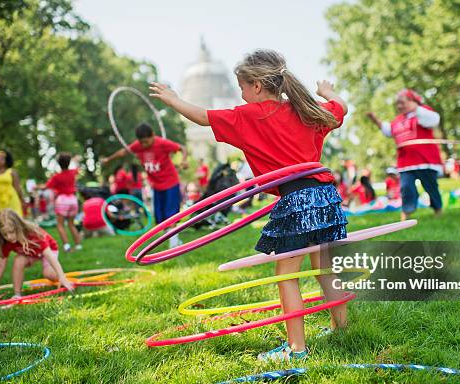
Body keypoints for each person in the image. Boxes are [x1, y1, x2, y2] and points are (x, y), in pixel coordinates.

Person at [149, 48, 349, 361]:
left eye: (242, 87)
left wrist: (173, 99)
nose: (241, 94)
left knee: (287, 276)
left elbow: (203, 117)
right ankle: (343, 331)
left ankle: (296, 351)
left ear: (256, 85)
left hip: (295, 200)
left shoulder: (247, 117)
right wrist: (328, 92)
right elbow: (340, 108)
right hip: (325, 198)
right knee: (324, 270)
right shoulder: (306, 108)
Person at [101, 124, 188, 248]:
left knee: (171, 214)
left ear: (152, 135)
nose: (144, 145)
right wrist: (108, 159)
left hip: (170, 183)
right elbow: (123, 152)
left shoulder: (162, 143)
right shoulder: (138, 145)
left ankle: (173, 243)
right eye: (142, 143)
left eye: (147, 142)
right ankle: (172, 239)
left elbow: (182, 148)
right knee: (160, 217)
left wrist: (184, 160)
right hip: (156, 186)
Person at [367, 89, 443, 220]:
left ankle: (438, 210)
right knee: (406, 188)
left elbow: (434, 120)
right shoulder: (397, 120)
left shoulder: (422, 112)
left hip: (425, 160)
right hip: (406, 162)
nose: (399, 106)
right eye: (397, 103)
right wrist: (375, 120)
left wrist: (416, 108)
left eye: (402, 102)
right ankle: (406, 214)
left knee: (431, 187)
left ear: (412, 101)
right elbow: (388, 130)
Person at [0, 208, 74, 302]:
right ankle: (17, 294)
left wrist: (61, 277)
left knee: (48, 274)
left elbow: (49, 255)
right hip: (29, 253)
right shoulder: (5, 242)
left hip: (48, 250)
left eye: (11, 232)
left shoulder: (33, 235)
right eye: (4, 234)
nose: (9, 237)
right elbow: (1, 265)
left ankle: (64, 279)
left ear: (19, 227)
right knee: (18, 260)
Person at [42, 153, 82, 252]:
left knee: (60, 224)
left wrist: (35, 187)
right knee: (71, 224)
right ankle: (78, 245)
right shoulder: (73, 172)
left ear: (58, 163)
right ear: (68, 162)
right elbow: (77, 168)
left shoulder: (56, 177)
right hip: (73, 200)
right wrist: (75, 160)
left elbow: (46, 186)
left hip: (62, 200)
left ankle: (67, 246)